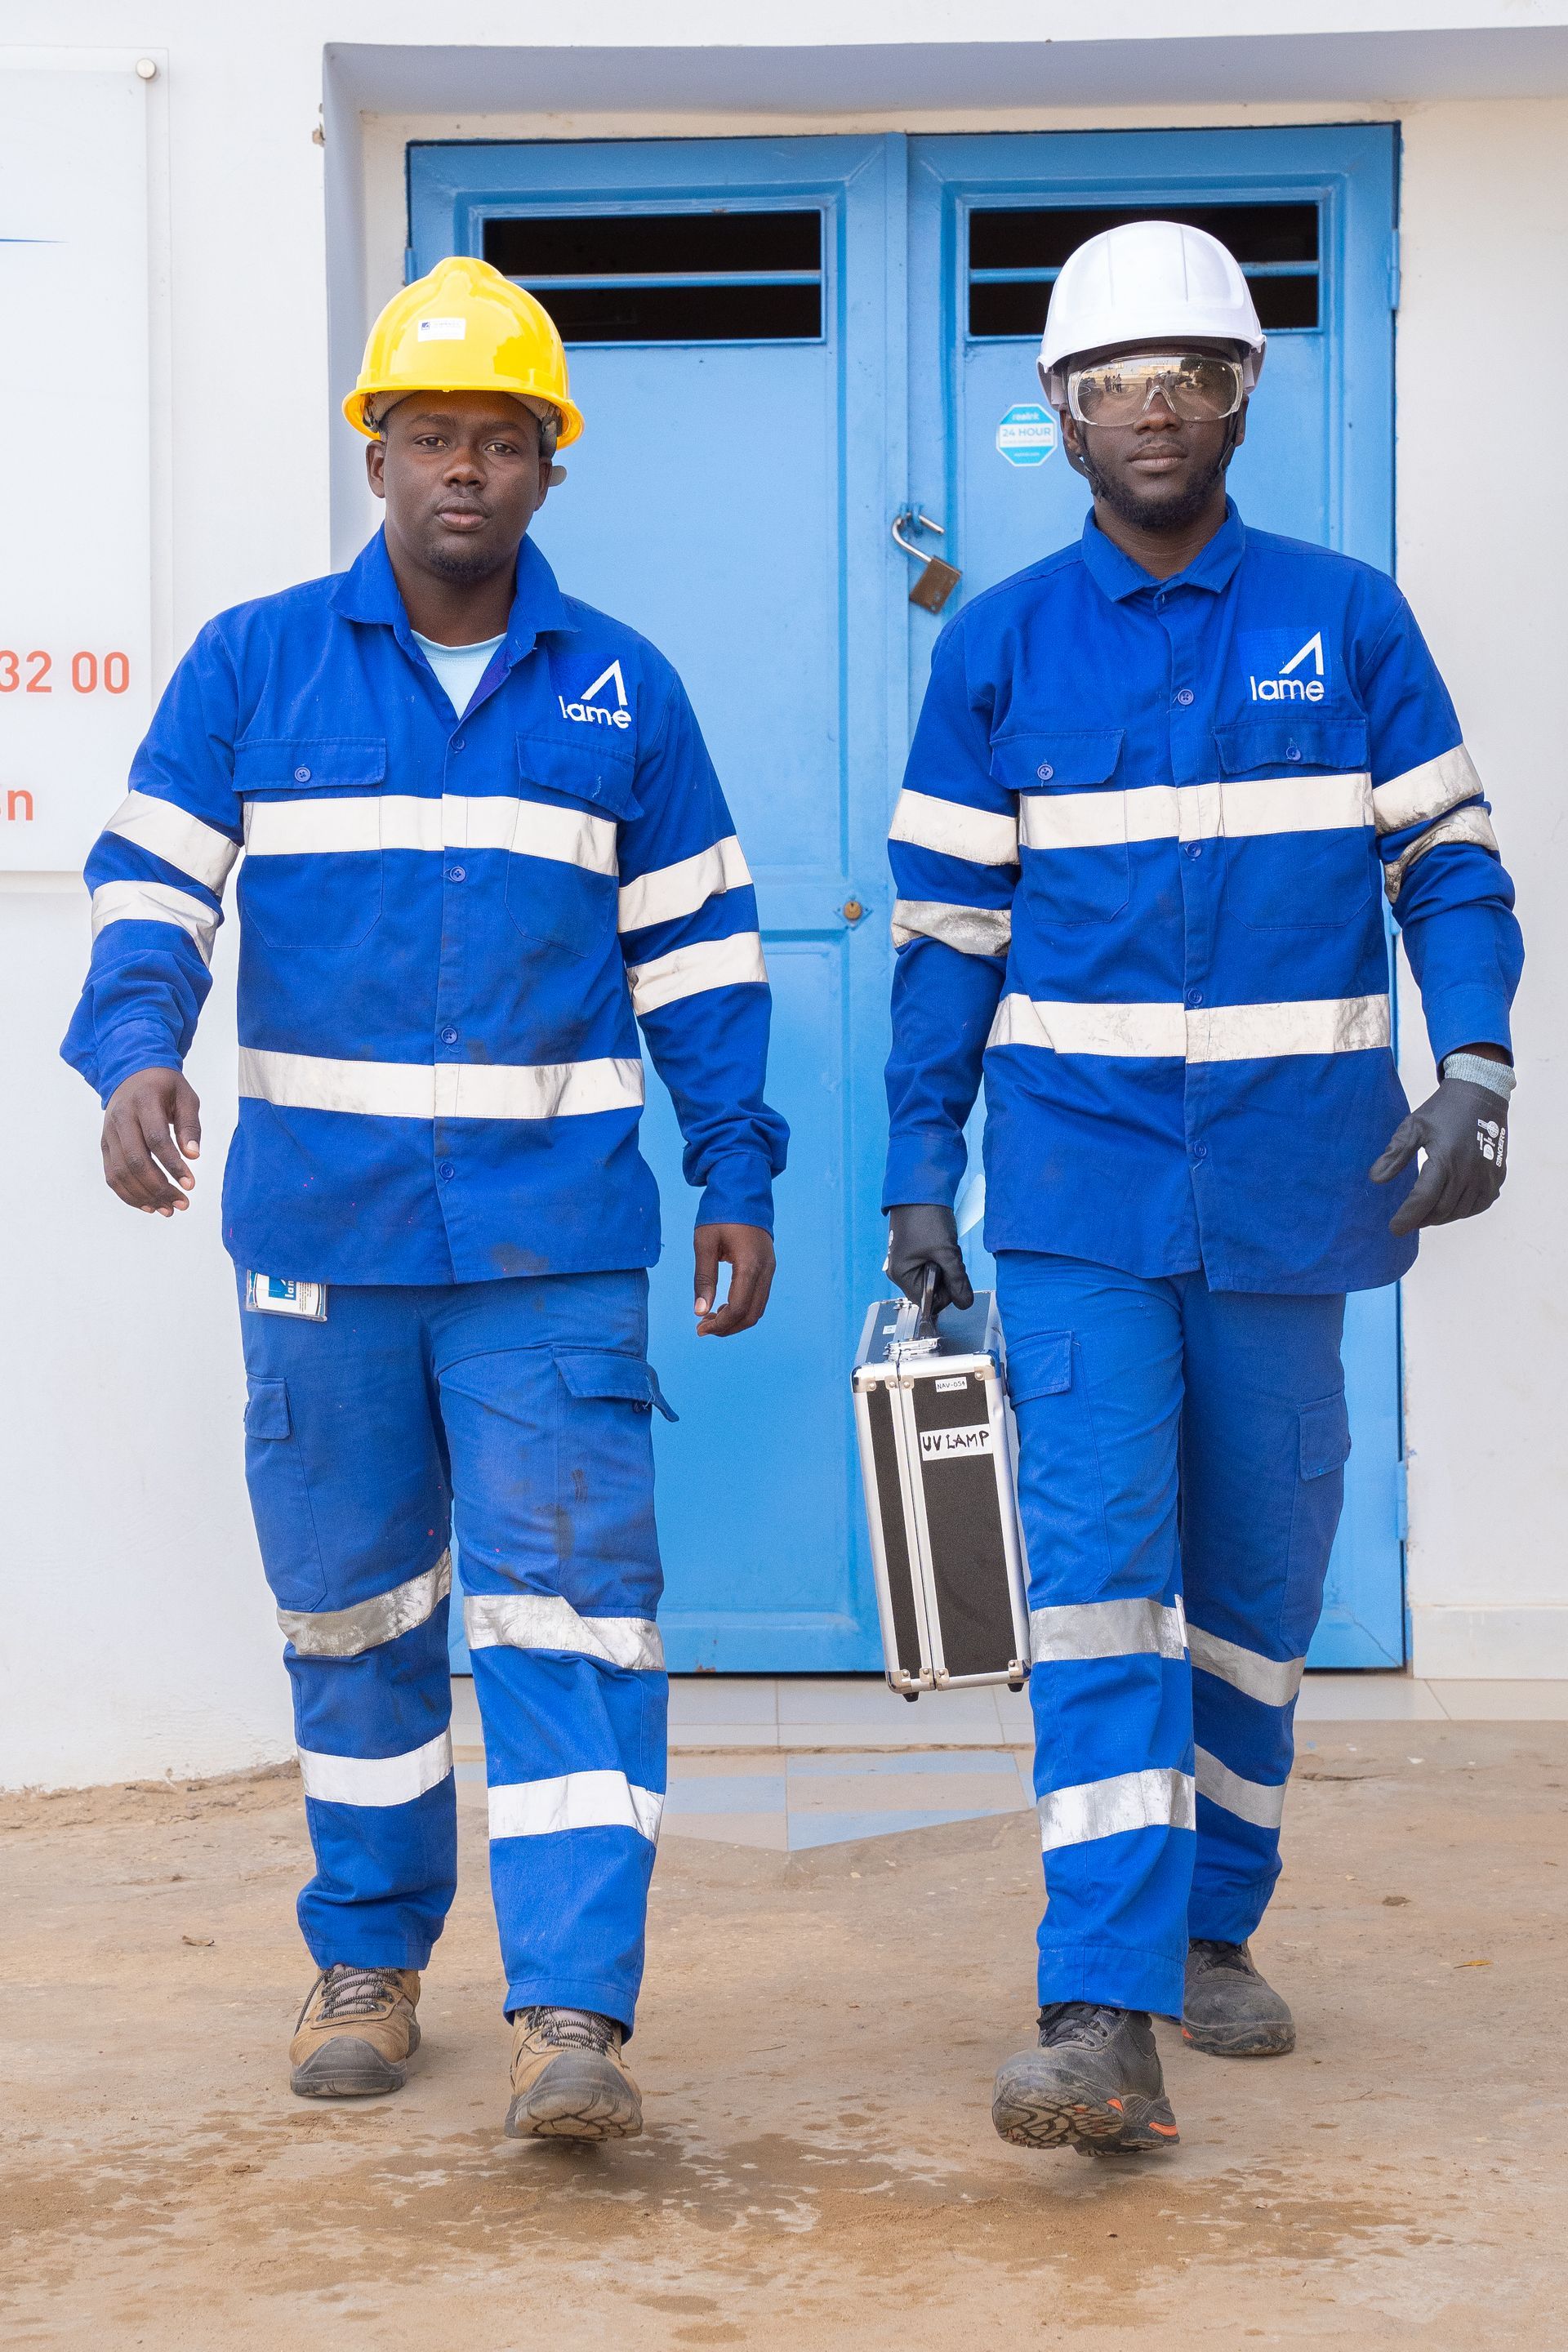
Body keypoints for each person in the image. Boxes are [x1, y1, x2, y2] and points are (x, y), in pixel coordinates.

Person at [63, 255, 786, 2141]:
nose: (465, 467)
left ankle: (573, 2019)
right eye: (429, 435)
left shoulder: (625, 690)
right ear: (374, 455)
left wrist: (736, 1162)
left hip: (552, 1253)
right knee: (355, 1619)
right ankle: (370, 1963)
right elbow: (151, 886)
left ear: (550, 466)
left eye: (501, 438)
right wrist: (136, 1050)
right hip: (325, 1248)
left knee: (571, 1622)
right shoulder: (255, 667)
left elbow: (703, 956)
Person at [881, 220, 1520, 2156]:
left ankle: (1212, 1927)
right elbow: (944, 939)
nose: (1153, 412)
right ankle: (1098, 2006)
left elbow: (1450, 870)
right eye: (1113, 386)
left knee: (1254, 1593)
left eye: (1190, 378)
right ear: (1062, 418)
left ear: (1243, 397)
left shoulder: (1353, 619)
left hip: (1297, 1196)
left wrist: (1477, 1066)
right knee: (1097, 1589)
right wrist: (919, 1176)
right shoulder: (996, 646)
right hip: (1079, 1199)